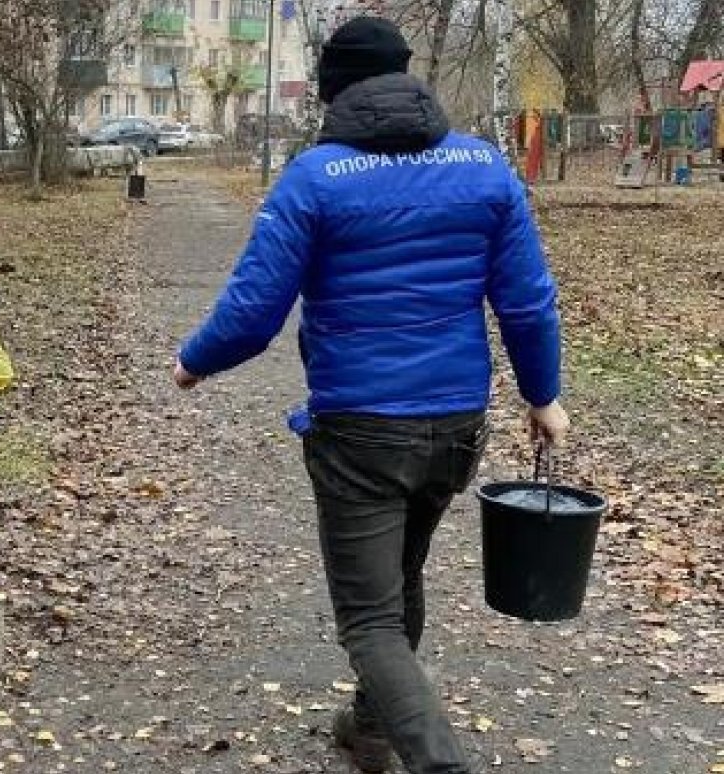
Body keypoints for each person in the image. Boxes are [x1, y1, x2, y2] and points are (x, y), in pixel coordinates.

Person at [172, 17, 569, 774]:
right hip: (453, 426)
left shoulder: (314, 177)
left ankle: (435, 760)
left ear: (332, 92)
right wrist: (543, 395)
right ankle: (371, 728)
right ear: (406, 76)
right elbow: (527, 302)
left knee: (369, 617)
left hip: (360, 431)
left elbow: (256, 311)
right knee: (401, 578)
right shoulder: (486, 168)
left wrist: (193, 361)